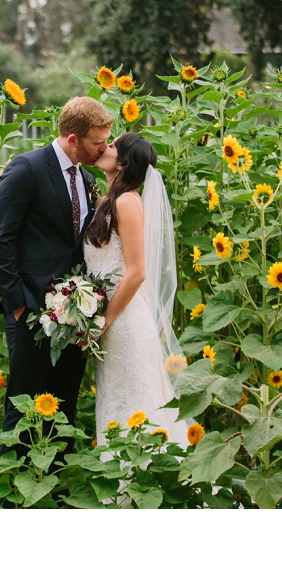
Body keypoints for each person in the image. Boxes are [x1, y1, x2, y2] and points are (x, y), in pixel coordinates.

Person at [0, 96, 112, 455]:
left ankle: (57, 483)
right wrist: (19, 306)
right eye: (97, 142)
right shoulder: (27, 168)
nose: (104, 148)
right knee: (24, 411)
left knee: (63, 408)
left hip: (74, 316)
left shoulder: (86, 178)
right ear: (73, 139)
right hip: (30, 311)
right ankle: (15, 485)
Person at [84, 132, 189, 451]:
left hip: (124, 321)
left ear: (123, 163)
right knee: (115, 400)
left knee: (135, 401)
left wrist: (105, 320)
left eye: (112, 145)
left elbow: (137, 272)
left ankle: (146, 470)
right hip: (111, 321)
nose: (105, 147)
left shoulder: (127, 202)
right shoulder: (107, 201)